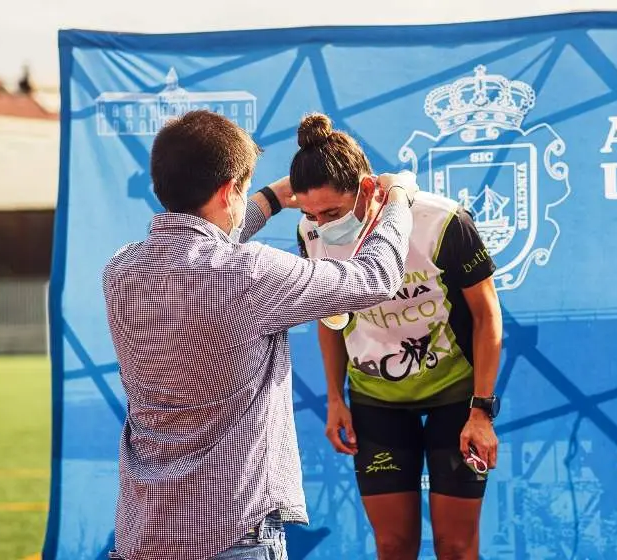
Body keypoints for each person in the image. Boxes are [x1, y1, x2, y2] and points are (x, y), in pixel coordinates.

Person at [101, 109, 419, 560]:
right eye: (243, 190)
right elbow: (375, 277)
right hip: (234, 534)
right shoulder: (251, 273)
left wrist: (269, 197)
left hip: (141, 535)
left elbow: (198, 243)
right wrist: (399, 201)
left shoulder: (121, 270)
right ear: (228, 190)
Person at [291, 113, 504, 560]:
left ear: (367, 189)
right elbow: (329, 317)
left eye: (331, 212)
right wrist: (334, 398)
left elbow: (487, 317)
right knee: (393, 546)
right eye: (311, 213)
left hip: (454, 396)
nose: (321, 225)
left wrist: (481, 411)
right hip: (376, 400)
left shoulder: (442, 221)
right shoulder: (309, 232)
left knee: (458, 547)